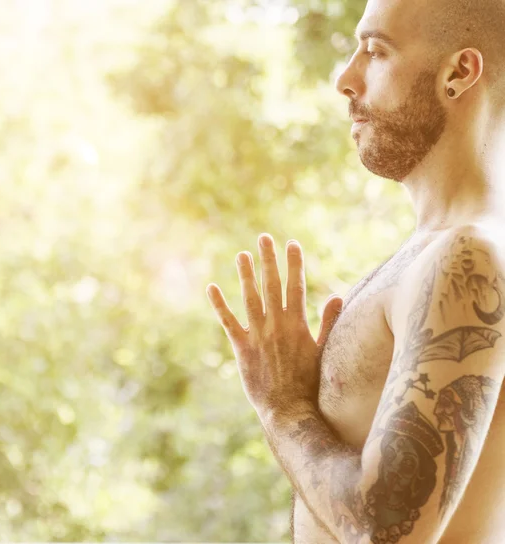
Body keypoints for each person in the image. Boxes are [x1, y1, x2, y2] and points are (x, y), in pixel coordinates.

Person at [206, 0, 505, 541]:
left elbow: (387, 531)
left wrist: (283, 406)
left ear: (458, 74)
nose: (345, 79)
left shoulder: (468, 259)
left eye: (376, 51)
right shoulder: (431, 252)